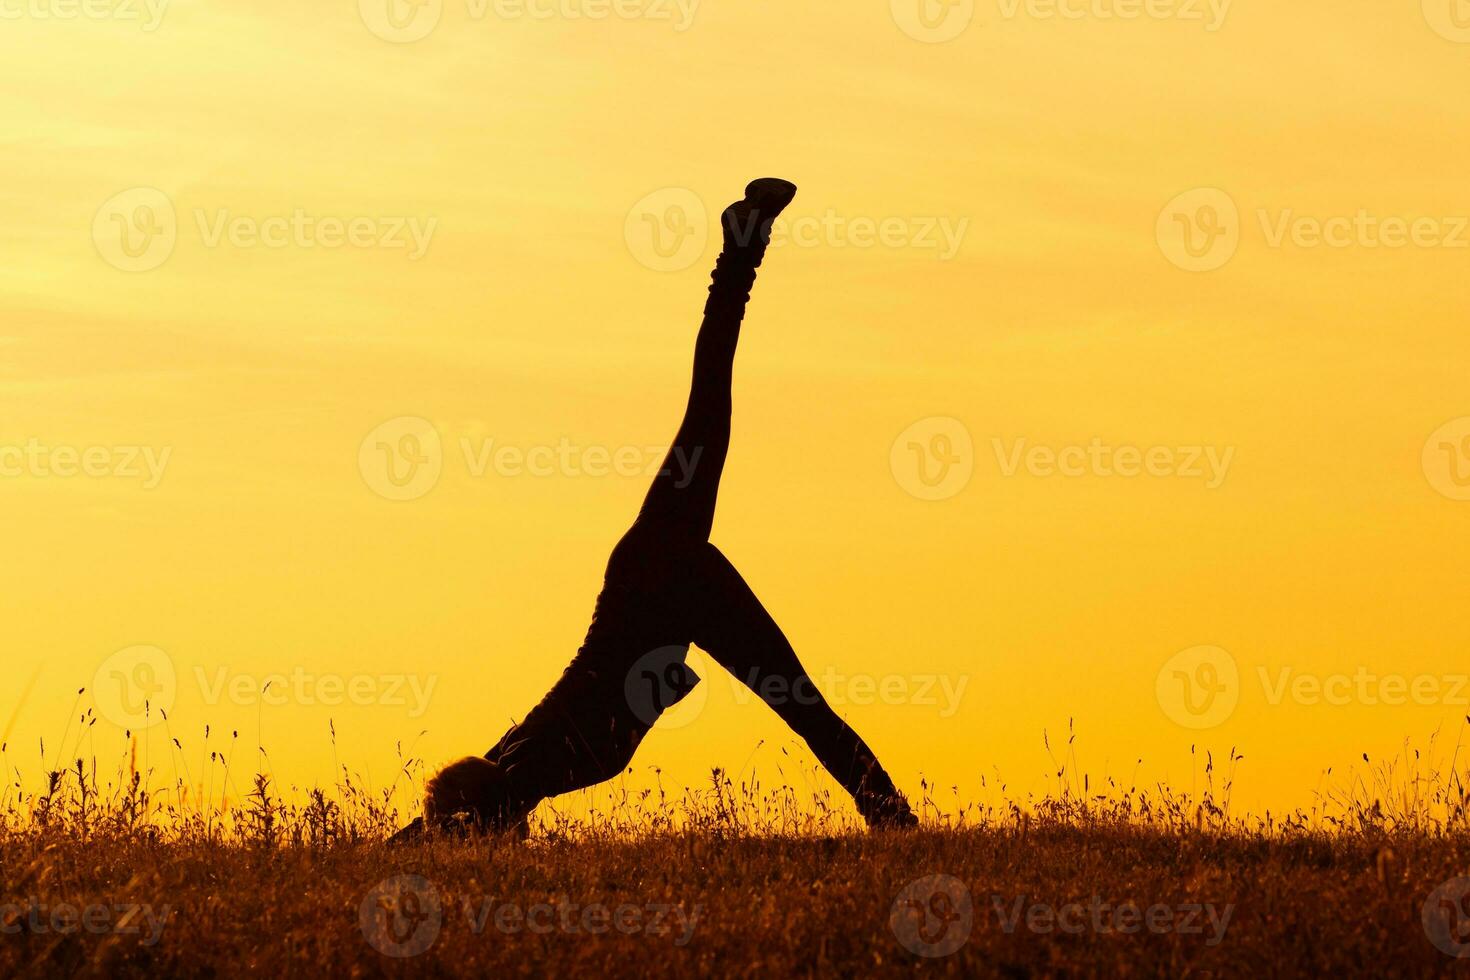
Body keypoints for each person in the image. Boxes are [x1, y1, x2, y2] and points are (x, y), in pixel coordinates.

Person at [394, 179, 916, 842]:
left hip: (664, 581)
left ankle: (741, 248)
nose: (518, 846)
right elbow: (436, 821)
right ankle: (895, 823)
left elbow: (449, 821)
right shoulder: (515, 758)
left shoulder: (540, 766)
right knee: (800, 703)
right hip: (660, 581)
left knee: (709, 411)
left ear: (492, 822)